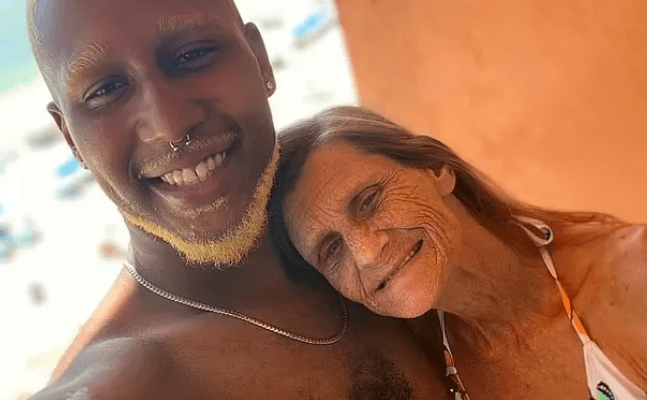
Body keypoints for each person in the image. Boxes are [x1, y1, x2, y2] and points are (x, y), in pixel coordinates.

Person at [26, 1, 452, 399]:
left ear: (260, 60)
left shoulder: (373, 236)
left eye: (193, 54)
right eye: (105, 91)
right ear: (70, 139)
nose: (169, 126)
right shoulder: (126, 378)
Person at [271, 106, 647, 400]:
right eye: (332, 249)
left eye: (369, 201)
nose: (367, 253)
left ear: (436, 169)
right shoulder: (417, 368)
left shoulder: (632, 277)